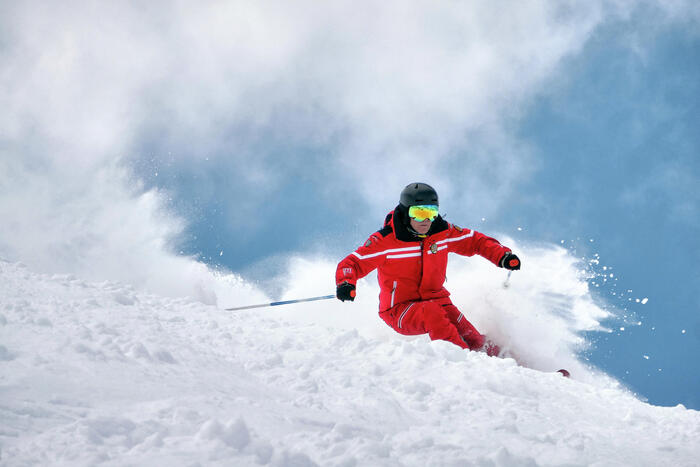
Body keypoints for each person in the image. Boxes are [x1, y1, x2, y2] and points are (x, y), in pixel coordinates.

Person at [335, 182, 521, 355]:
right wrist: (346, 283)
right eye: (419, 213)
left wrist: (502, 256)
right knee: (431, 312)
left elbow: (474, 241)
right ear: (406, 212)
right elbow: (353, 263)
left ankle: (508, 362)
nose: (426, 220)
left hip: (438, 301)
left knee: (469, 334)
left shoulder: (441, 233)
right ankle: (463, 362)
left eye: (431, 213)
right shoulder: (386, 242)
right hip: (399, 310)